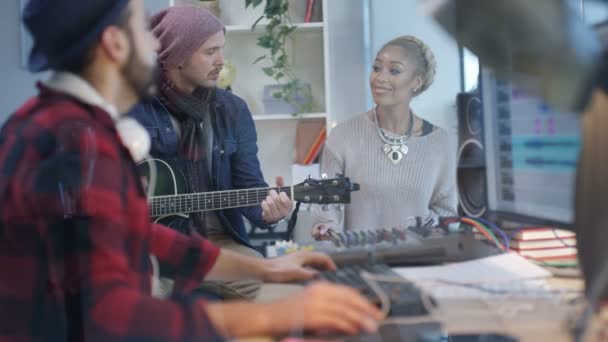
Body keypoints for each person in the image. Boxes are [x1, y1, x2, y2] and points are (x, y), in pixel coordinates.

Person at [0, 0, 383, 340]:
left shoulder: (46, 121)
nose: (154, 44)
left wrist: (267, 270)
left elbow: (139, 233)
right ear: (115, 44)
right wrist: (269, 315)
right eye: (142, 29)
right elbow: (106, 314)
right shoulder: (76, 141)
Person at [128, 5, 291, 300]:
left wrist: (270, 214)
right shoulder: (134, 109)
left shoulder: (233, 110)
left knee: (279, 291)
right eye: (210, 52)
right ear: (176, 56)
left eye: (221, 49)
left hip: (217, 243)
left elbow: (250, 188)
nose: (221, 61)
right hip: (149, 248)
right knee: (137, 306)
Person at [311, 35, 457, 239]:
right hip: (362, 261)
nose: (379, 78)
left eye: (394, 70)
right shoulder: (342, 136)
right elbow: (327, 206)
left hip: (423, 261)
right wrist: (326, 228)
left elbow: (446, 215)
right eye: (377, 68)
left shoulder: (439, 141)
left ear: (417, 81)